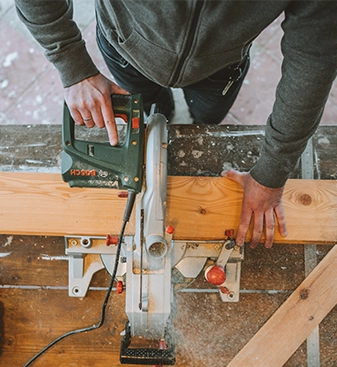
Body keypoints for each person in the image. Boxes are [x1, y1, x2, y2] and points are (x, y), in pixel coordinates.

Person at [14, 1, 337, 249]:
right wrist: (73, 66)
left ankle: (192, 118)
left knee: (207, 121)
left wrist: (272, 172)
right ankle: (163, 112)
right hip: (126, 48)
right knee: (152, 109)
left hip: (221, 67)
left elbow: (314, 57)